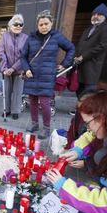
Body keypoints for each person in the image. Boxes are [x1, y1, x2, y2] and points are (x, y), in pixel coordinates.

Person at [21, 10, 75, 139]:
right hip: (31, 75)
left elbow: (71, 48)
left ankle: (46, 128)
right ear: (37, 25)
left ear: (51, 23)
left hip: (47, 75)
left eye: (46, 23)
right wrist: (27, 69)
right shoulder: (31, 38)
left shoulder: (56, 37)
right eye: (41, 24)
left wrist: (65, 64)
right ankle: (34, 124)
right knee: (32, 101)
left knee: (45, 103)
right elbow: (23, 56)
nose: (44, 26)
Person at [73, 3, 107, 102]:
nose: (96, 16)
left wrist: (83, 56)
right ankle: (80, 108)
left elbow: (102, 46)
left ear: (104, 16)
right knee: (78, 88)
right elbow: (80, 45)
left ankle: (86, 110)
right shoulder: (88, 29)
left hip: (92, 65)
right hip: (80, 64)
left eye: (99, 14)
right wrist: (76, 56)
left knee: (89, 90)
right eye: (94, 14)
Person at [0, 14, 28, 120]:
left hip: (19, 69)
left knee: (18, 91)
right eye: (16, 24)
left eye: (21, 24)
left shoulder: (25, 38)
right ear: (10, 25)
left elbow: (24, 55)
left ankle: (16, 111)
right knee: (6, 90)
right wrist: (5, 68)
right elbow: (1, 53)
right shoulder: (5, 36)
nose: (18, 26)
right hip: (6, 70)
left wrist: (13, 68)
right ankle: (7, 110)